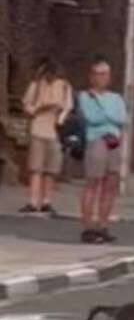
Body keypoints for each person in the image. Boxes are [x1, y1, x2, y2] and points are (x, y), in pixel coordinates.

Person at [78, 58, 127, 244]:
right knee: (93, 182)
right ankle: (88, 227)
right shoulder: (85, 96)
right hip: (96, 140)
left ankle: (103, 225)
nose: (102, 78)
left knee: (111, 183)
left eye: (105, 74)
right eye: (98, 74)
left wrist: (108, 117)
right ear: (91, 76)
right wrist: (109, 117)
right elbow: (92, 118)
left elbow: (121, 118)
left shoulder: (116, 98)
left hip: (113, 141)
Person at [21, 59, 74, 216]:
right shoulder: (36, 86)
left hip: (54, 131)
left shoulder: (64, 87)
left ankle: (46, 201)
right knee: (36, 168)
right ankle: (32, 201)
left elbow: (68, 107)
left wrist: (60, 119)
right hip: (38, 129)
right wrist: (39, 108)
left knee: (50, 170)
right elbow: (27, 106)